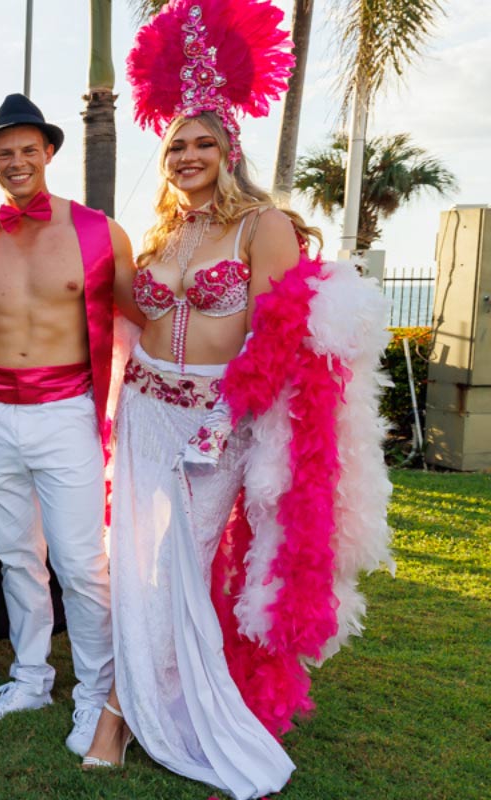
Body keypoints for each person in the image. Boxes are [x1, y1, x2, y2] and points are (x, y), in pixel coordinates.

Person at [86, 2, 392, 796]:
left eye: (202, 144)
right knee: (137, 564)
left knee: (174, 562)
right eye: (176, 146)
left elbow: (281, 334)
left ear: (230, 149)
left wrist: (230, 415)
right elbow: (126, 312)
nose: (188, 157)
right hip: (147, 417)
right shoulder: (156, 238)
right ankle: (139, 701)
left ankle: (120, 714)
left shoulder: (263, 226)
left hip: (217, 421)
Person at [0, 94, 133, 757]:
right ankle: (30, 678)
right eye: (5, 154)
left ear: (50, 153)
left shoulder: (98, 232)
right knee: (16, 558)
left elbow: (144, 314)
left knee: (83, 565)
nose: (17, 161)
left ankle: (96, 697)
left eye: (28, 150)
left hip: (65, 415)